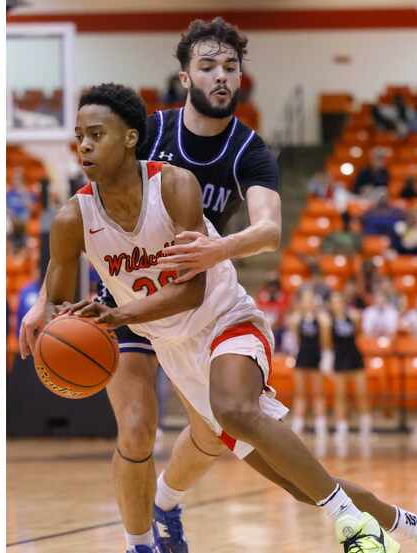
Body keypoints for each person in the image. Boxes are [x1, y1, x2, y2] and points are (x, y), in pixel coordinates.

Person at [30, 81, 405, 552]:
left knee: (233, 408)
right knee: (296, 482)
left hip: (224, 318)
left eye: (97, 134)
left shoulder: (173, 186)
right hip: (173, 349)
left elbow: (191, 292)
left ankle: (350, 524)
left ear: (129, 138)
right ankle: (402, 524)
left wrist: (117, 313)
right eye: (79, 135)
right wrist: (62, 321)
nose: (84, 144)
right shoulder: (71, 219)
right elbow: (63, 305)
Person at [20, 17, 284, 553]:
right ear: (185, 76)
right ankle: (137, 543)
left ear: (240, 77)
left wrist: (220, 249)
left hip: (192, 299)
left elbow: (269, 230)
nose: (219, 77)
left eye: (229, 68)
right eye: (207, 66)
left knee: (213, 433)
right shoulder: (147, 130)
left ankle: (165, 502)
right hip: (125, 298)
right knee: (137, 427)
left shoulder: (249, 151)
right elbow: (78, 227)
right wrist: (45, 302)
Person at [286, 287, 332, 440]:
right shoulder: (296, 319)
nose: (308, 303)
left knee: (318, 393)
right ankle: (298, 426)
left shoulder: (322, 319)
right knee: (300, 393)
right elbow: (295, 340)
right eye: (305, 300)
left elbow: (325, 341)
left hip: (316, 357)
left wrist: (325, 358)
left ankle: (320, 426)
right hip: (302, 356)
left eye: (310, 300)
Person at [329, 290, 372, 447]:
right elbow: (327, 342)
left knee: (362, 393)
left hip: (354, 356)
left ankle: (365, 427)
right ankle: (342, 428)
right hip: (340, 357)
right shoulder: (328, 321)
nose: (337, 305)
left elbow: (359, 333)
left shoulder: (353, 317)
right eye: (334, 302)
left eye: (339, 301)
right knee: (340, 395)